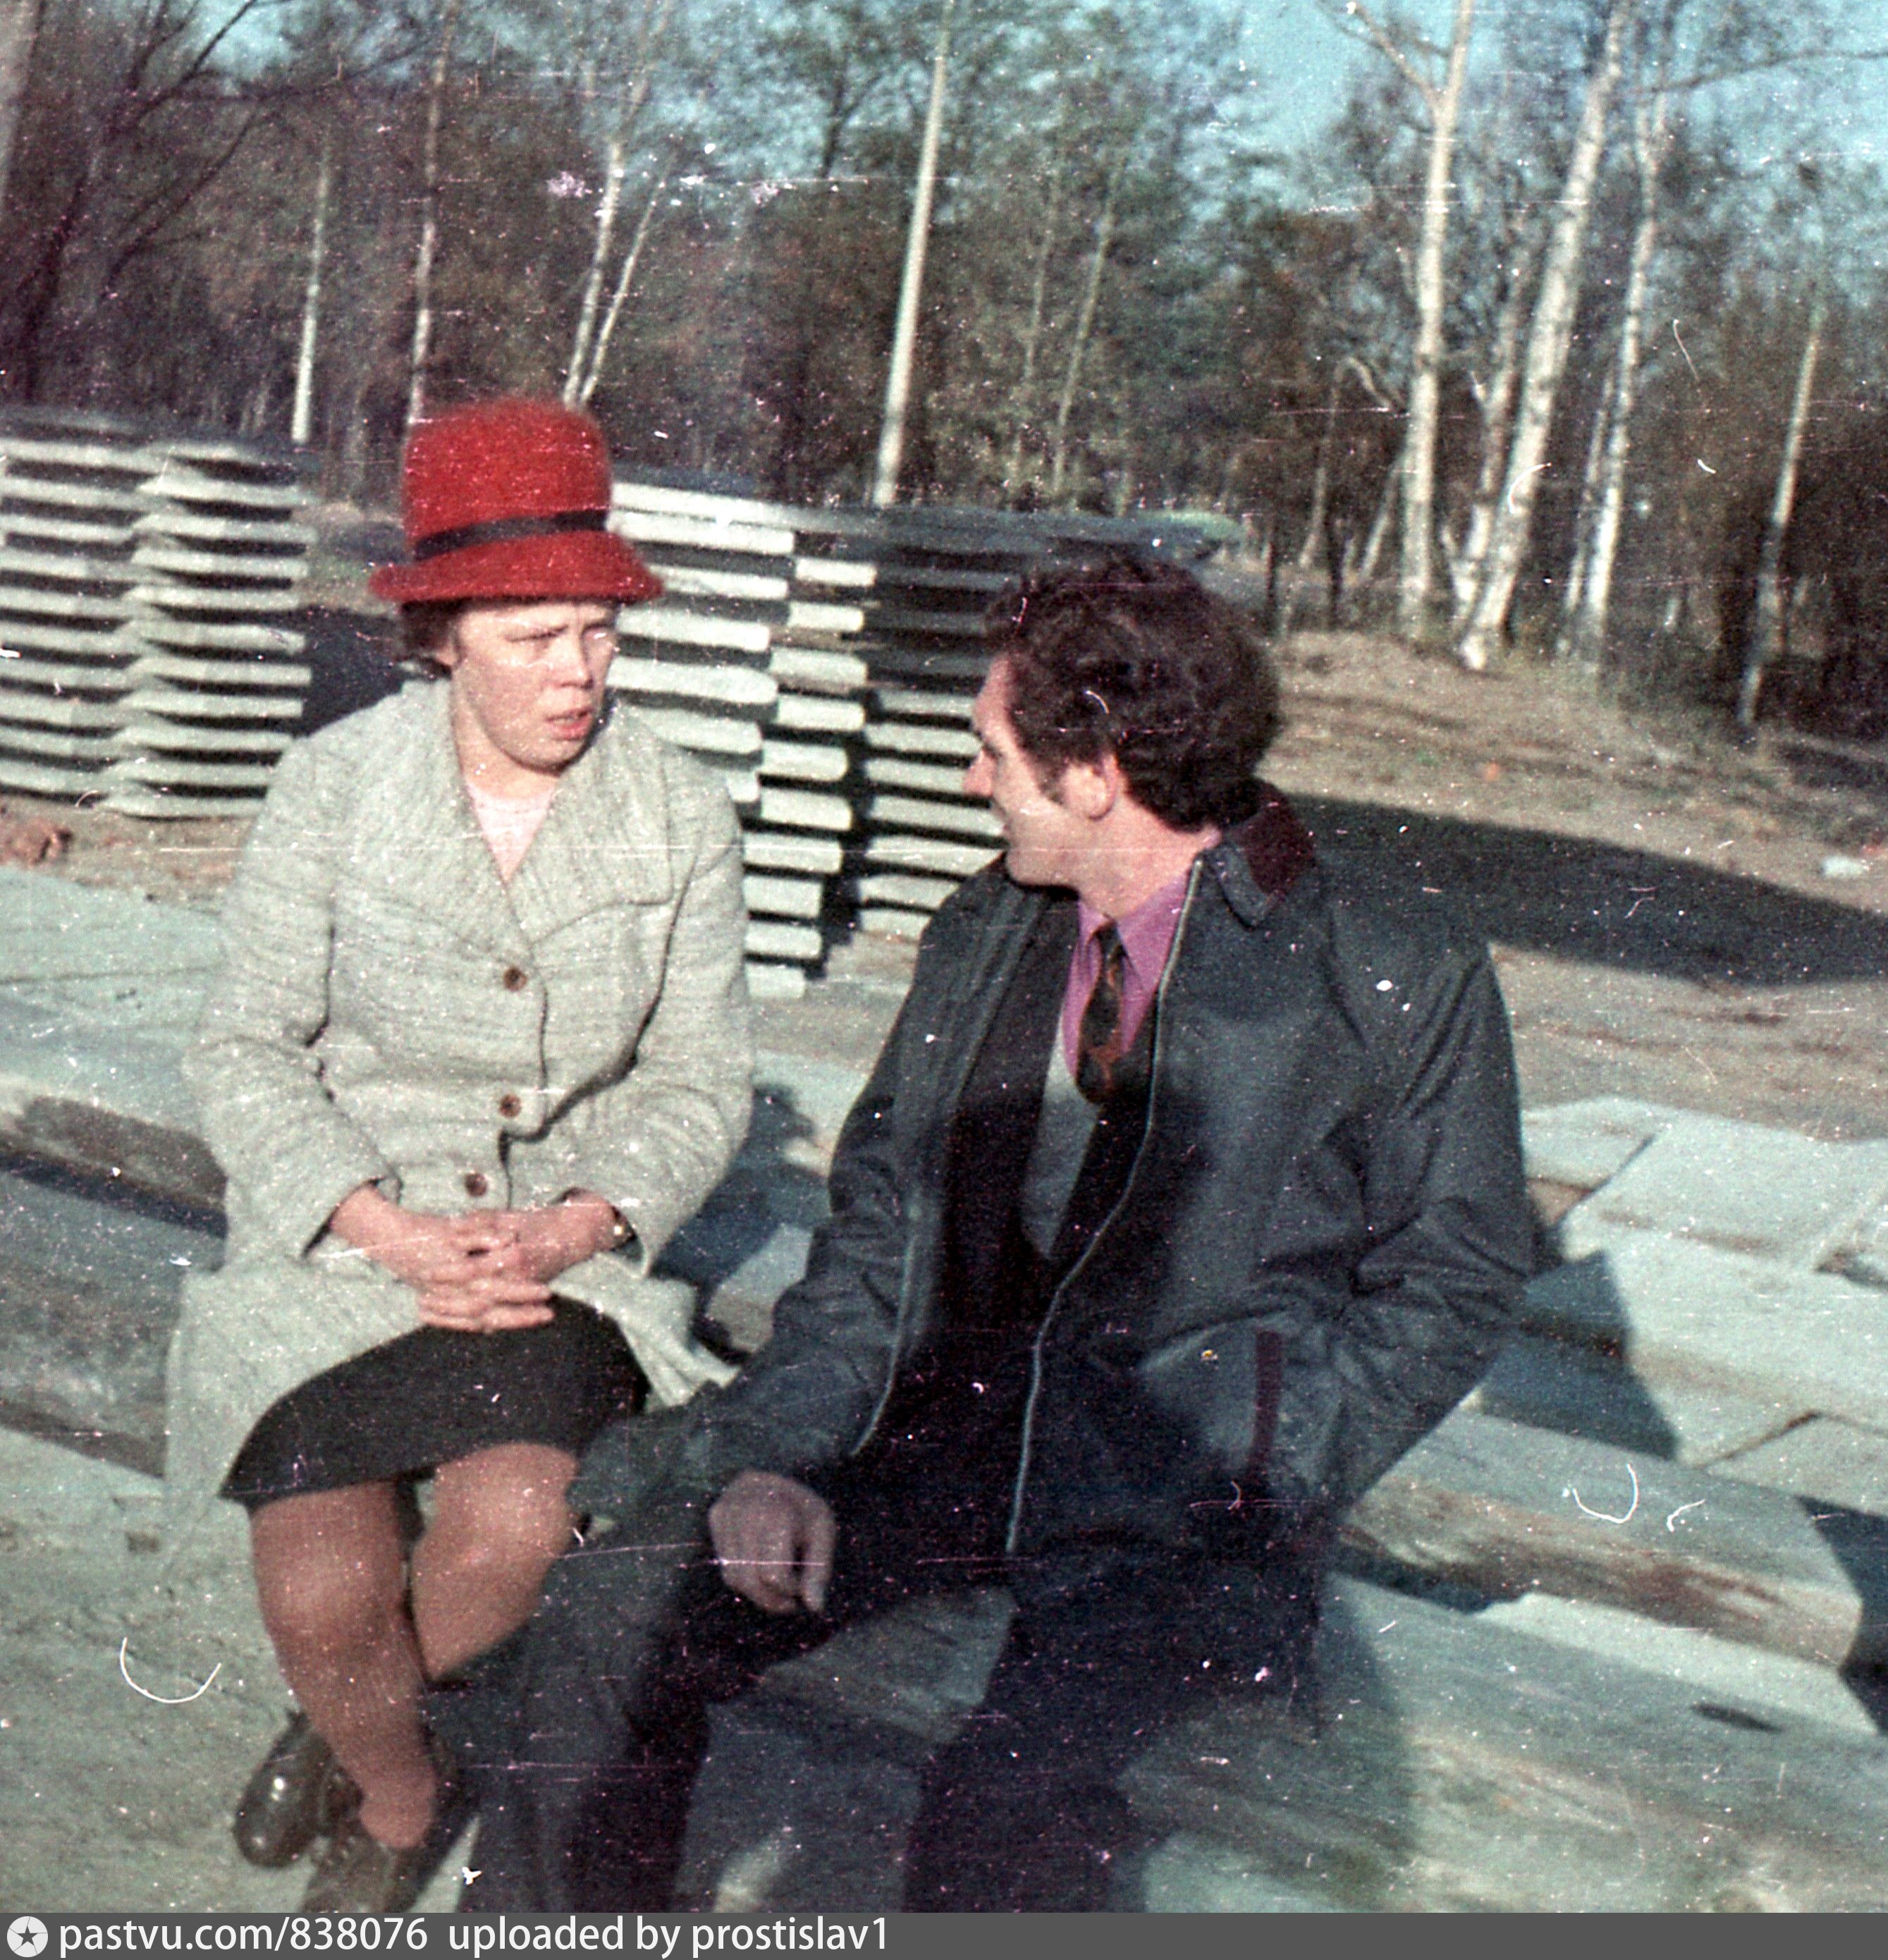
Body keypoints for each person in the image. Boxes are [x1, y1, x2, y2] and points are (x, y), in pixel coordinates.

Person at [462, 555, 1535, 1911]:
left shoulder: (1389, 964)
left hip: (1178, 1508)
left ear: (1096, 772)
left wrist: (1262, 1460)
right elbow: (881, 1233)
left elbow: (1455, 1280)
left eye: (993, 751)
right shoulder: (990, 928)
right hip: (947, 1448)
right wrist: (776, 1455)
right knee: (617, 1608)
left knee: (1002, 1811)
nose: (974, 782)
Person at [168, 396, 752, 1912]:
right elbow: (244, 1048)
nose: (580, 672)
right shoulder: (333, 786)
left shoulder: (679, 810)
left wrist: (578, 1223)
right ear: (440, 639)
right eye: (535, 638)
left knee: (514, 1533)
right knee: (321, 1590)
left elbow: (703, 1078)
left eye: (600, 633)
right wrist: (381, 1228)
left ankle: (357, 1744)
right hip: (346, 1245)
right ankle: (404, 1785)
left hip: (555, 1260)